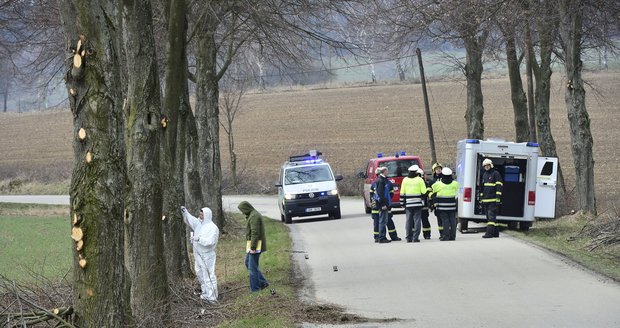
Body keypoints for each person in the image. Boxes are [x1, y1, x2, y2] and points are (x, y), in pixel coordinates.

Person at [181, 206, 219, 302]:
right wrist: (185, 212)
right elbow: (191, 220)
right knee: (199, 273)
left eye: (202, 214)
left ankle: (212, 297)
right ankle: (206, 292)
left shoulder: (212, 228)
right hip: (198, 253)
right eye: (200, 214)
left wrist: (199, 239)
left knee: (209, 275)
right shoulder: (199, 224)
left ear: (207, 215)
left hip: (207, 255)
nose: (200, 215)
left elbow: (211, 242)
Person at [237, 201, 270, 291]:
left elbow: (255, 233)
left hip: (256, 246)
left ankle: (255, 289)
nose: (242, 212)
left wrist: (253, 248)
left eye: (242, 210)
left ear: (246, 208)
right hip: (253, 245)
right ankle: (263, 283)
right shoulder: (252, 215)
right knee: (248, 262)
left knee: (252, 268)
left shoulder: (254, 216)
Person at [369, 168, 402, 242]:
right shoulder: (383, 182)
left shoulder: (376, 182)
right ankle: (382, 237)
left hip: (377, 205)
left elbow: (372, 195)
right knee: (383, 222)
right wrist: (385, 203)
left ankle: (380, 237)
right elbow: (388, 194)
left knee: (381, 222)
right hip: (381, 205)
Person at [400, 165, 427, 243]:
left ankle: (408, 237)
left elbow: (402, 192)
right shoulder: (419, 180)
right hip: (417, 203)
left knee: (408, 220)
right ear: (416, 172)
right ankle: (415, 238)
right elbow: (424, 192)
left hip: (408, 204)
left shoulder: (405, 180)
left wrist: (402, 202)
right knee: (417, 220)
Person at [431, 167, 459, 241]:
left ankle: (445, 236)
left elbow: (432, 191)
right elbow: (457, 192)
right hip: (452, 206)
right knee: (453, 221)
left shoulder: (438, 184)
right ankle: (453, 236)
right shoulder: (455, 184)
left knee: (445, 221)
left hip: (442, 207)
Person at [480, 158, 503, 238]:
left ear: (491, 165)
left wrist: (498, 198)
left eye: (488, 165)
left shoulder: (496, 174)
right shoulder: (484, 175)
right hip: (486, 200)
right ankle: (496, 233)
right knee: (490, 217)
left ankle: (489, 233)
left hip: (493, 200)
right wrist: (481, 197)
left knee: (491, 217)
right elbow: (482, 187)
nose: (486, 167)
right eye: (485, 166)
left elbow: (499, 186)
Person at [375, 167, 392, 244]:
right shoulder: (381, 181)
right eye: (387, 171)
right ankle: (382, 238)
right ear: (384, 171)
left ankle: (383, 237)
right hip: (383, 204)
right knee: (382, 221)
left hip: (384, 203)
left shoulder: (382, 180)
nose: (388, 172)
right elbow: (380, 194)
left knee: (384, 221)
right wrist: (383, 204)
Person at [430, 162, 444, 238]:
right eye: (436, 169)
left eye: (439, 169)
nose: (438, 170)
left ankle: (446, 232)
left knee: (445, 219)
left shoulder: (446, 179)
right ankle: (441, 234)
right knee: (439, 219)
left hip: (445, 201)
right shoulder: (432, 181)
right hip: (437, 203)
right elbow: (430, 191)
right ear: (434, 171)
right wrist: (432, 202)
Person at [418, 168, 433, 240]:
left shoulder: (425, 183)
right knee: (423, 220)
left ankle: (426, 234)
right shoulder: (423, 182)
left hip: (422, 205)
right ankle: (426, 234)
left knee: (423, 220)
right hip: (419, 204)